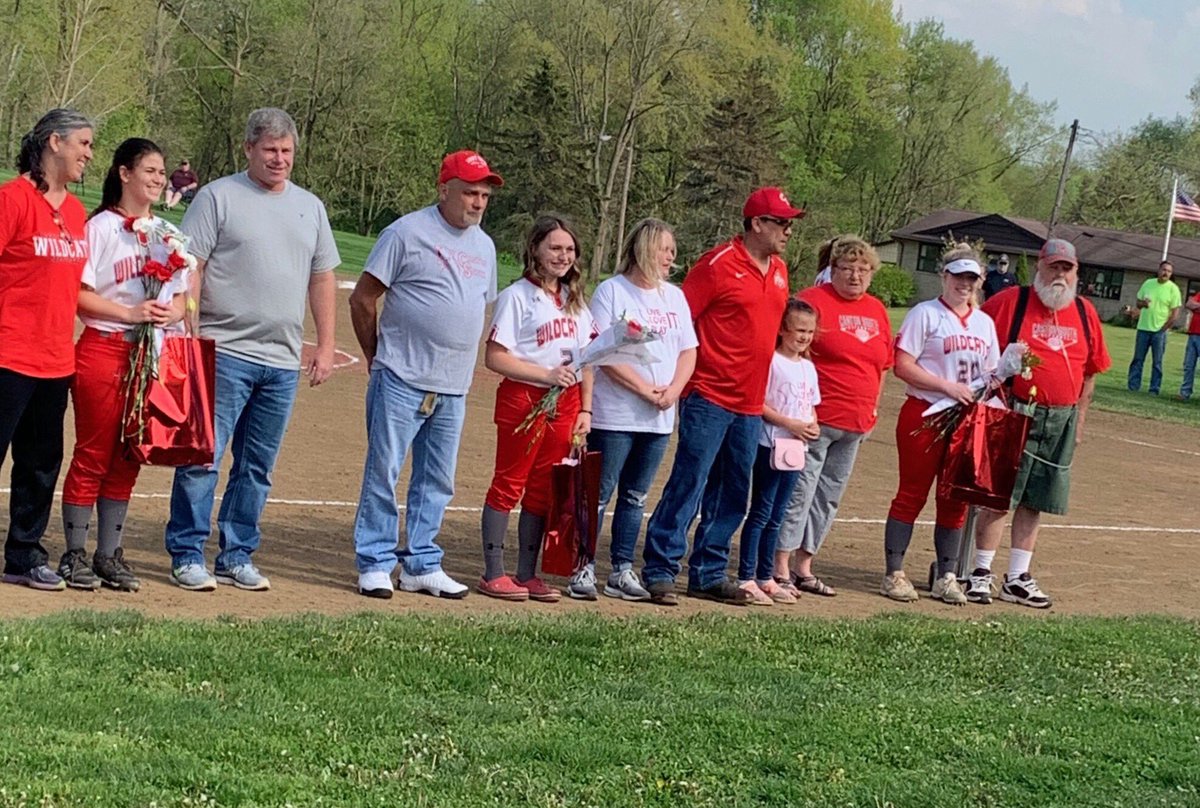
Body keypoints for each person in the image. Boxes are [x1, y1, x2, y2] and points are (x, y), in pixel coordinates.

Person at [164, 108, 340, 592]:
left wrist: (326, 345)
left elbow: (322, 278)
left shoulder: (310, 208)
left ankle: (236, 554)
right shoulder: (218, 196)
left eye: (286, 151)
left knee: (257, 468)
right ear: (248, 149)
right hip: (224, 351)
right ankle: (187, 552)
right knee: (203, 457)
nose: (279, 159)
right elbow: (192, 264)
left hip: (281, 360)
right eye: (270, 150)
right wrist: (191, 326)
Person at [349, 150, 502, 600]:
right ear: (444, 190)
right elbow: (362, 298)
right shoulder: (406, 232)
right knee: (384, 472)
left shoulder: (485, 246)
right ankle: (375, 562)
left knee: (437, 479)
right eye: (470, 193)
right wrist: (377, 356)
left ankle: (421, 563)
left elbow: (474, 307)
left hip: (453, 384)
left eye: (484, 195)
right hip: (401, 374)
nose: (478, 202)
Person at [640, 187, 798, 606]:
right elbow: (679, 321)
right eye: (781, 222)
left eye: (789, 224)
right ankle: (660, 569)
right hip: (709, 394)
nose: (788, 231)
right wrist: (675, 380)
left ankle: (708, 573)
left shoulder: (780, 270)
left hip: (750, 403)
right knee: (689, 483)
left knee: (732, 491)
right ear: (756, 223)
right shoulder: (717, 265)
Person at [58, 138, 189, 592]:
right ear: (124, 173)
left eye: (161, 172)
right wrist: (130, 313)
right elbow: (80, 296)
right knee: (93, 454)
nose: (157, 179)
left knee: (130, 455)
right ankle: (74, 553)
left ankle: (109, 554)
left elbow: (183, 296)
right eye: (149, 170)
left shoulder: (167, 233)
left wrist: (174, 310)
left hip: (149, 356)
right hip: (105, 348)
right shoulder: (100, 228)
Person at [965, 238, 1111, 608]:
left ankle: (1017, 577)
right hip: (1014, 411)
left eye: (1067, 268)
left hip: (1061, 417)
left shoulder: (1084, 311)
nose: (1060, 275)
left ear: (1076, 272)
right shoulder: (1011, 302)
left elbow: (1090, 372)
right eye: (1053, 267)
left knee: (1035, 499)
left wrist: (1079, 420)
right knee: (1000, 496)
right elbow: (974, 336)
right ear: (1039, 267)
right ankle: (980, 572)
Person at [566, 218, 697, 601]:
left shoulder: (674, 297)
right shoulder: (612, 291)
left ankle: (621, 569)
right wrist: (642, 388)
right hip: (617, 414)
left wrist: (674, 390)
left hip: (658, 417)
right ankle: (582, 566)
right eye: (664, 249)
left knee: (636, 496)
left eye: (672, 251)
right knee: (599, 493)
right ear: (644, 249)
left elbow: (688, 350)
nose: (670, 257)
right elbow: (601, 351)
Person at [478, 215, 596, 603]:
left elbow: (589, 358)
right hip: (525, 398)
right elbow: (495, 357)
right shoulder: (517, 296)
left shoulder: (575, 300)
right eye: (555, 248)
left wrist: (586, 409)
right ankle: (493, 573)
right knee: (510, 482)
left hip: (567, 402)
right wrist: (545, 374)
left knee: (544, 488)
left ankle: (527, 574)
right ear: (535, 250)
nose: (563, 256)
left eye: (569, 249)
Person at [0, 108, 93, 592]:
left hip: (56, 360)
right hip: (8, 354)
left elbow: (73, 289)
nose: (89, 154)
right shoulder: (12, 200)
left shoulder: (75, 212)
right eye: (83, 143)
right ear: (54, 142)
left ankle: (24, 555)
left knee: (40, 464)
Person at [880, 245, 999, 606]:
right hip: (926, 413)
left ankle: (946, 574)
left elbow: (991, 372)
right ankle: (894, 572)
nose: (965, 284)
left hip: (965, 419)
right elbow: (903, 365)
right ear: (945, 277)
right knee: (912, 492)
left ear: (980, 281)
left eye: (971, 278)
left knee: (954, 498)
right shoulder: (926, 313)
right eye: (958, 276)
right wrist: (945, 386)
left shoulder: (984, 322)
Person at [775, 235, 892, 597]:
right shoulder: (813, 300)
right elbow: (789, 350)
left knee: (828, 497)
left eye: (864, 269)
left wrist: (874, 405)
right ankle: (779, 564)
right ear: (833, 269)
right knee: (799, 492)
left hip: (855, 422)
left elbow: (882, 365)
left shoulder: (877, 310)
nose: (856, 276)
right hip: (815, 420)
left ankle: (804, 565)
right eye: (847, 268)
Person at [736, 299, 819, 606]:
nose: (804, 337)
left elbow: (811, 405)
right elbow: (758, 403)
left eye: (810, 331)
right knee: (761, 511)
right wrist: (789, 424)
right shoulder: (771, 361)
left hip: (796, 449)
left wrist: (812, 425)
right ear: (782, 329)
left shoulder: (808, 367)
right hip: (770, 445)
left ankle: (765, 576)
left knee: (777, 515)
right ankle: (746, 575)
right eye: (799, 330)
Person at [1126, 260, 1181, 395]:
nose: (1165, 273)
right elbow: (1138, 303)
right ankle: (1133, 386)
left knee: (1157, 362)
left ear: (1171, 274)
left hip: (1159, 332)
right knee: (1138, 359)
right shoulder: (1148, 283)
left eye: (1169, 271)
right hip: (1143, 328)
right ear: (1159, 270)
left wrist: (1164, 328)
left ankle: (1154, 389)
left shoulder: (1173, 289)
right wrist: (1143, 304)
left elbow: (1175, 314)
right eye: (1164, 270)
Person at [1177, 289, 1200, 400]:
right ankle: (1185, 393)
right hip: (1193, 334)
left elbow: (1193, 305)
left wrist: (1196, 306)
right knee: (1188, 365)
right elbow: (1189, 304)